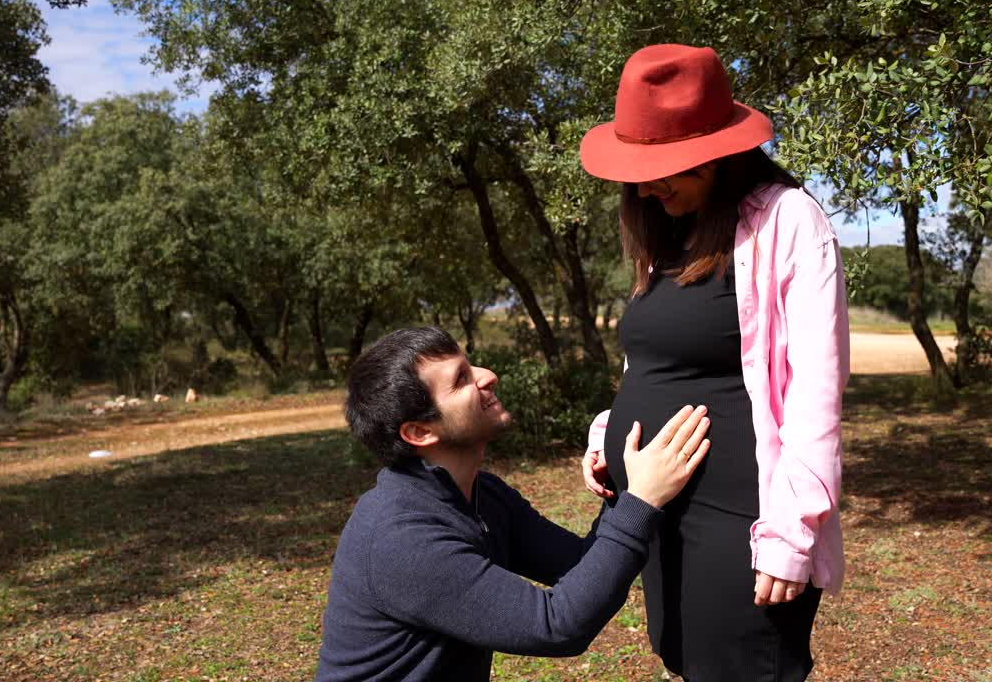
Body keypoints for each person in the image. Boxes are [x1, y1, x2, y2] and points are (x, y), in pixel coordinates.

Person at [576, 44, 850, 681]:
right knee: (685, 660)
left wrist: (792, 532)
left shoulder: (787, 220)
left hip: (740, 515)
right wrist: (608, 433)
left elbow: (816, 389)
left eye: (667, 166)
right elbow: (653, 362)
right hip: (653, 507)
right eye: (640, 169)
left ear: (720, 151)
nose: (649, 185)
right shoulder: (666, 228)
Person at [314, 326, 712, 682]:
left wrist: (622, 486)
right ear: (419, 431)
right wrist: (640, 501)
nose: (488, 377)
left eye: (471, 365)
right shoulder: (400, 537)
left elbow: (579, 565)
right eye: (462, 380)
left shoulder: (481, 494)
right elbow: (557, 625)